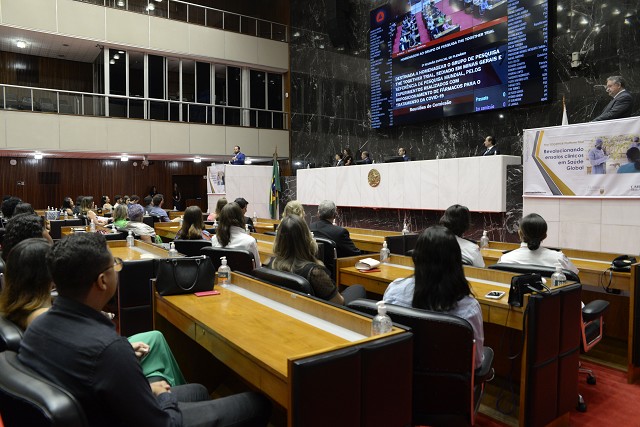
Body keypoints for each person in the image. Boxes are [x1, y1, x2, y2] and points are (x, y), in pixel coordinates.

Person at [18, 233, 271, 427]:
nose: (118, 269)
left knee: (199, 390)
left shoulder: (37, 327)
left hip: (98, 411)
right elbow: (163, 423)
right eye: (115, 265)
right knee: (257, 403)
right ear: (102, 281)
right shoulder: (109, 350)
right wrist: (161, 396)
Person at [383, 226, 485, 367]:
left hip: (403, 374)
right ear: (456, 262)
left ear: (416, 258)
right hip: (449, 379)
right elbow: (476, 362)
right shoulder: (469, 309)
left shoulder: (394, 291)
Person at [270, 215, 365, 304]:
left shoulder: (271, 263)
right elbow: (338, 302)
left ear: (278, 239)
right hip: (322, 312)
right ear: (307, 238)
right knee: (358, 288)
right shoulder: (315, 273)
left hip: (290, 307)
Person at [497, 213, 579, 274]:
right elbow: (574, 277)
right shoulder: (559, 259)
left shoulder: (505, 259)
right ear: (545, 236)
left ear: (519, 233)